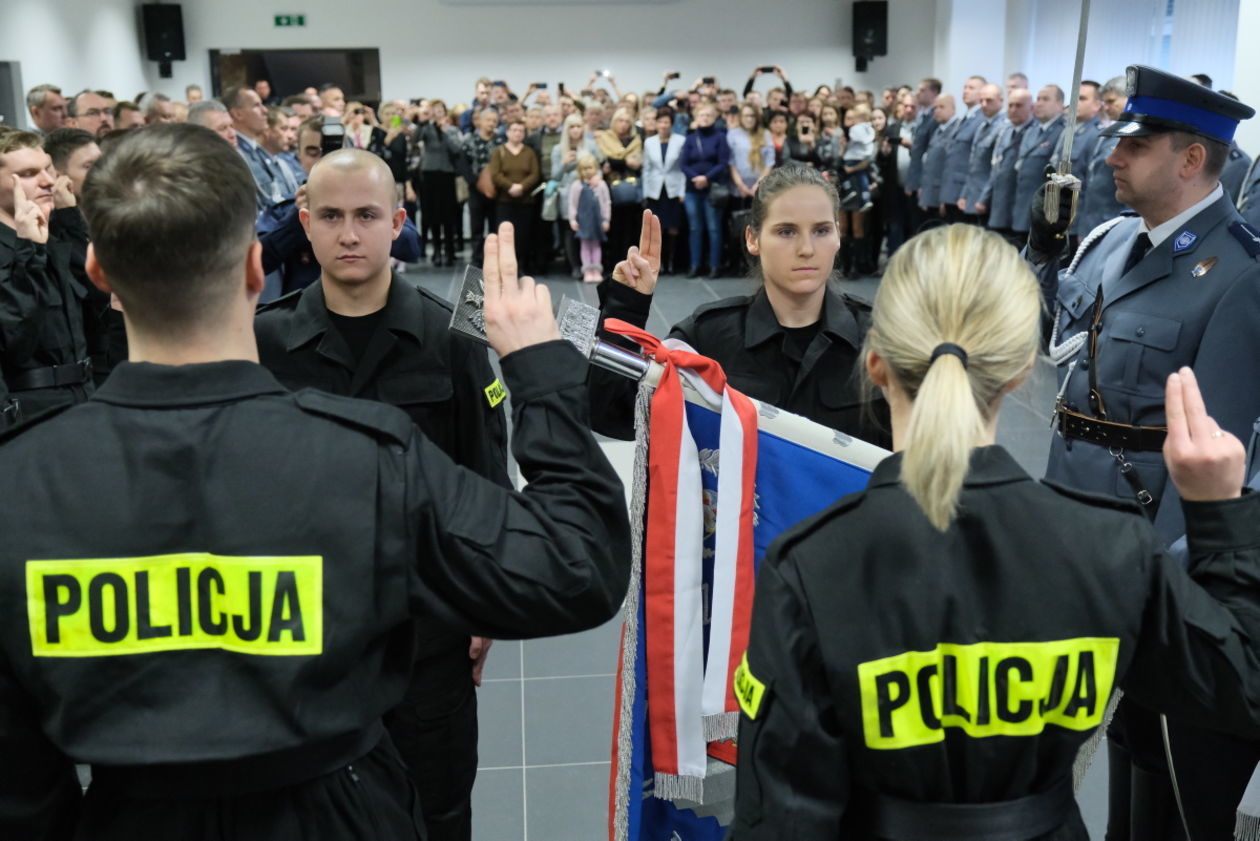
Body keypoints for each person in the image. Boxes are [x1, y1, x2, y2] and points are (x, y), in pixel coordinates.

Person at [0, 122, 630, 840]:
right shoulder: (364, 462)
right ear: (252, 265)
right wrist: (541, 375)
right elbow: (577, 566)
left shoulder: (20, 485)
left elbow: (17, 783)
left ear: (97, 272)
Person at [729, 221, 1260, 840]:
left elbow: (781, 815)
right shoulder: (1108, 547)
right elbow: (1240, 688)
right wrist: (1218, 515)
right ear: (1018, 371)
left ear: (875, 364)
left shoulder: (811, 566)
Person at [1028, 64, 1260, 841]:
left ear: (1192, 159)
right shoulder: (1106, 243)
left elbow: (1217, 462)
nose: (1113, 156)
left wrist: (1164, 594)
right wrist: (1041, 250)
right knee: (1107, 758)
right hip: (1074, 543)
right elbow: (1056, 355)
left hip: (1150, 571)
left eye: (1137, 142)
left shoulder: (1237, 276)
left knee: (1164, 784)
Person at [254, 148, 507, 841]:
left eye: (367, 215)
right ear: (303, 223)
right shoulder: (264, 342)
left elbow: (485, 481)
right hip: (305, 640)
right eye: (330, 215)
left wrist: (483, 605)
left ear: (398, 222)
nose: (348, 233)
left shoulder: (451, 341)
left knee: (439, 811)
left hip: (426, 634)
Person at [590, 164, 890, 448]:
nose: (807, 249)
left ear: (838, 235)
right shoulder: (707, 339)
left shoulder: (881, 339)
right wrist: (627, 306)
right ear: (752, 238)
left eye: (821, 230)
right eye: (786, 231)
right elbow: (613, 414)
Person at [257, 118, 420, 295]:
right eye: (313, 152)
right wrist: (296, 218)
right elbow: (259, 261)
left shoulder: (373, 200)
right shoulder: (284, 208)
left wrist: (369, 213)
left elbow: (411, 249)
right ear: (299, 157)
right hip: (301, 310)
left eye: (334, 152)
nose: (324, 160)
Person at [0, 129, 92, 422]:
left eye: (48, 168)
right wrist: (27, 251)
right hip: (31, 413)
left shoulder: (48, 239)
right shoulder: (26, 247)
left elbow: (100, 307)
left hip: (84, 397)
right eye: (28, 173)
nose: (48, 181)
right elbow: (16, 340)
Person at [679, 101, 730, 278]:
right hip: (692, 189)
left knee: (714, 228)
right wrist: (696, 178)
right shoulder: (691, 138)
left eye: (708, 115)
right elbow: (683, 164)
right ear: (696, 118)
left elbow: (723, 163)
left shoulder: (720, 137)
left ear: (715, 118)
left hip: (712, 188)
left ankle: (714, 266)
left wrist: (706, 178)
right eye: (702, 115)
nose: (705, 118)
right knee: (694, 228)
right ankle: (695, 265)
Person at [1009, 85, 1066, 240]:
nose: (1039, 103)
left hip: (1042, 213)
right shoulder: (1031, 131)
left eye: (1045, 99)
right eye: (1038, 99)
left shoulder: (1063, 131)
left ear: (1060, 104)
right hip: (1021, 209)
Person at [551, 113, 602, 278]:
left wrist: (597, 177)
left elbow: (600, 167)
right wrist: (564, 164)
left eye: (578, 126)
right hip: (568, 194)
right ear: (566, 129)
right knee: (570, 230)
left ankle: (591, 265)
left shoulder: (591, 146)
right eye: (571, 127)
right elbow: (555, 177)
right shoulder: (558, 150)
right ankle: (574, 266)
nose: (575, 130)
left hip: (588, 194)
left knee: (589, 230)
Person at [1077, 75, 1129, 236]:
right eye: (1104, 102)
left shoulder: (1134, 138)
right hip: (1090, 223)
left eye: (1111, 101)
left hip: (1114, 224)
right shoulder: (1105, 133)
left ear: (1128, 99)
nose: (1106, 107)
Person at [415, 100, 464, 267]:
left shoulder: (452, 130)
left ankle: (449, 251)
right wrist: (422, 122)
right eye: (434, 111)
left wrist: (445, 132)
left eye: (440, 110)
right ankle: (436, 250)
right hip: (429, 174)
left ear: (445, 112)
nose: (437, 113)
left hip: (446, 175)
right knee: (432, 213)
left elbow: (457, 149)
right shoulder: (426, 129)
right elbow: (415, 139)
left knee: (448, 214)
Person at [982, 88, 1033, 245]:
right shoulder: (1006, 131)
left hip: (1023, 209)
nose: (1013, 110)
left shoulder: (1034, 132)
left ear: (1031, 107)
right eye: (1010, 105)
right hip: (1000, 203)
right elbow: (996, 167)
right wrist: (984, 197)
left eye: (1018, 106)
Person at [488, 119, 540, 272]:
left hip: (525, 201)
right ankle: (505, 266)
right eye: (514, 130)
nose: (517, 133)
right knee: (504, 234)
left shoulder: (529, 152)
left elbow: (535, 174)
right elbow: (495, 174)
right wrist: (510, 186)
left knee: (523, 235)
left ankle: (521, 265)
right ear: (508, 132)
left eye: (521, 131)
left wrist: (522, 187)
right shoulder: (499, 151)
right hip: (505, 200)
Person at [642, 107, 686, 276]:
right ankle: (658, 263)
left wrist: (682, 191)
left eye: (666, 122)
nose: (663, 125)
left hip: (673, 188)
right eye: (660, 121)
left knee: (673, 228)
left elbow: (682, 168)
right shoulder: (649, 142)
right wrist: (646, 192)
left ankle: (671, 262)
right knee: (656, 228)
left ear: (671, 124)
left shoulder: (680, 140)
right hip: (655, 189)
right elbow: (646, 169)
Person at [957, 83, 1007, 225]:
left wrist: (984, 198)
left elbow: (996, 168)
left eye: (989, 100)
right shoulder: (982, 127)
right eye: (981, 101)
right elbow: (973, 165)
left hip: (988, 199)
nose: (984, 105)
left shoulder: (1004, 127)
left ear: (1001, 100)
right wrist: (964, 194)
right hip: (973, 194)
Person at [568, 154, 611, 282]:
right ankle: (587, 270)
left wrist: (606, 219)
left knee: (596, 245)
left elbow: (606, 202)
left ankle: (596, 270)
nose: (587, 171)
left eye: (590, 168)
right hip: (584, 221)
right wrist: (572, 219)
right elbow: (572, 203)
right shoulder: (577, 185)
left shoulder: (601, 185)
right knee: (585, 246)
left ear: (596, 168)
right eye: (584, 169)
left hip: (597, 221)